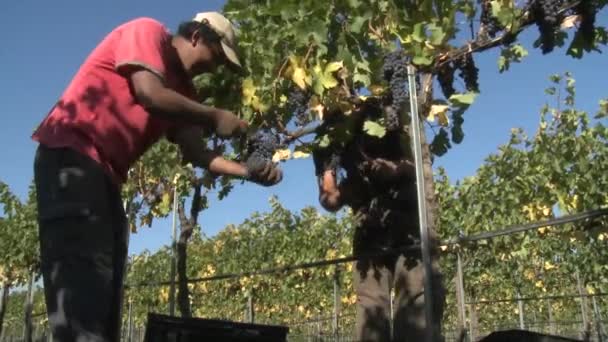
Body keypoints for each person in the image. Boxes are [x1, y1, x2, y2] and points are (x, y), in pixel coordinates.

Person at [31, 12, 282, 342]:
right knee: (82, 288)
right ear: (196, 36)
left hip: (106, 176)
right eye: (218, 56)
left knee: (105, 290)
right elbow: (149, 93)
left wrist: (249, 172)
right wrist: (214, 116)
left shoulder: (185, 94)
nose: (217, 67)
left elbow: (197, 154)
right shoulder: (148, 33)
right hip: (71, 156)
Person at [312, 107, 445, 342]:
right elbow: (329, 199)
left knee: (416, 303)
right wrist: (342, 187)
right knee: (371, 308)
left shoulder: (383, 112)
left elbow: (421, 165)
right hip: (369, 227)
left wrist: (394, 169)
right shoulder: (325, 141)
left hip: (408, 222)